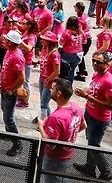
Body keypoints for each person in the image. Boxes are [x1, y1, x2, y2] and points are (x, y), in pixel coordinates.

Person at [37, 79, 86, 183]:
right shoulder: (76, 107)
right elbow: (83, 125)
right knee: (61, 178)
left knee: (53, 179)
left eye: (52, 89)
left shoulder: (56, 117)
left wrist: (41, 127)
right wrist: (68, 136)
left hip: (55, 158)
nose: (50, 90)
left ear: (59, 94)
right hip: (68, 154)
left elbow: (51, 145)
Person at [74, 51, 112, 180]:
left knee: (94, 146)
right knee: (91, 143)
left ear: (107, 64)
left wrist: (87, 96)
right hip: (90, 114)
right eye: (93, 61)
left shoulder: (109, 82)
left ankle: (106, 172)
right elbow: (94, 90)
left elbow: (109, 105)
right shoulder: (96, 74)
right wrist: (86, 91)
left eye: (99, 62)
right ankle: (89, 168)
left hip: (99, 119)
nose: (95, 64)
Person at [0, 30, 25, 157]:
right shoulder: (9, 52)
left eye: (6, 39)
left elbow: (21, 78)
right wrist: (0, 80)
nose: (4, 40)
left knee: (8, 118)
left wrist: (11, 89)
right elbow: (5, 68)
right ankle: (9, 134)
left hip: (9, 92)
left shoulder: (17, 57)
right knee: (4, 110)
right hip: (4, 88)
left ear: (11, 43)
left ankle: (17, 143)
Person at [36, 32, 61, 122]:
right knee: (44, 101)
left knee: (43, 103)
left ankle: (43, 122)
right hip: (42, 78)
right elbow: (43, 60)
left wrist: (48, 79)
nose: (42, 41)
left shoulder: (54, 54)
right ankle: (49, 119)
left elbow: (57, 71)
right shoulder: (44, 49)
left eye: (44, 40)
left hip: (49, 82)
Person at [59, 16, 86, 83]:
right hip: (78, 55)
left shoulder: (67, 32)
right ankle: (69, 85)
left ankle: (63, 86)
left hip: (68, 54)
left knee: (65, 71)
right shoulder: (81, 32)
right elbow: (85, 42)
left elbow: (61, 43)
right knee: (72, 70)